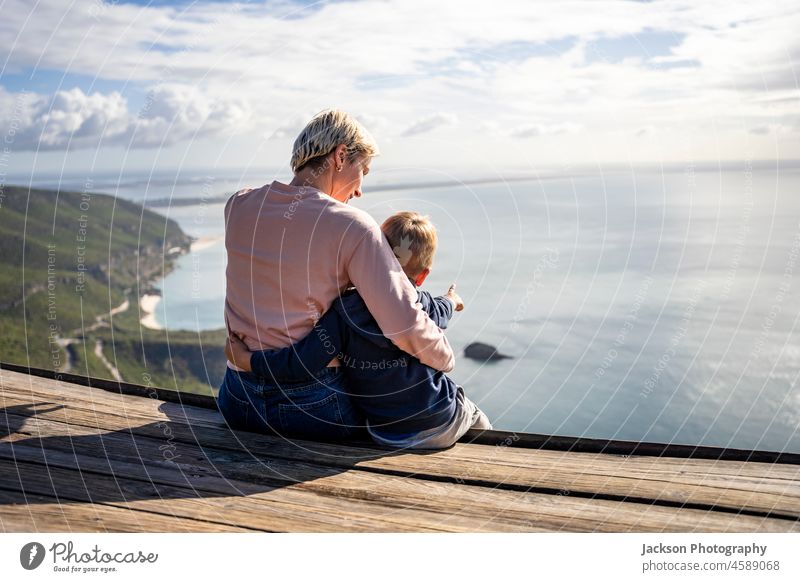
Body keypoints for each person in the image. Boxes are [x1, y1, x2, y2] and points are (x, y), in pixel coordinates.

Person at [218, 110, 455, 442]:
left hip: (238, 399)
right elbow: (404, 325)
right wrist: (446, 359)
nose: (359, 191)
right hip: (314, 407)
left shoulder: (238, 205)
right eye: (364, 171)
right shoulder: (352, 226)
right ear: (340, 156)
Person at [226, 211, 492, 449]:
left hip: (386, 435)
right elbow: (440, 309)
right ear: (422, 276)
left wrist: (249, 360)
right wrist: (452, 299)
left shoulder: (343, 312)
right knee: (475, 416)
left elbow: (300, 363)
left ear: (371, 256)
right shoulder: (419, 305)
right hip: (442, 418)